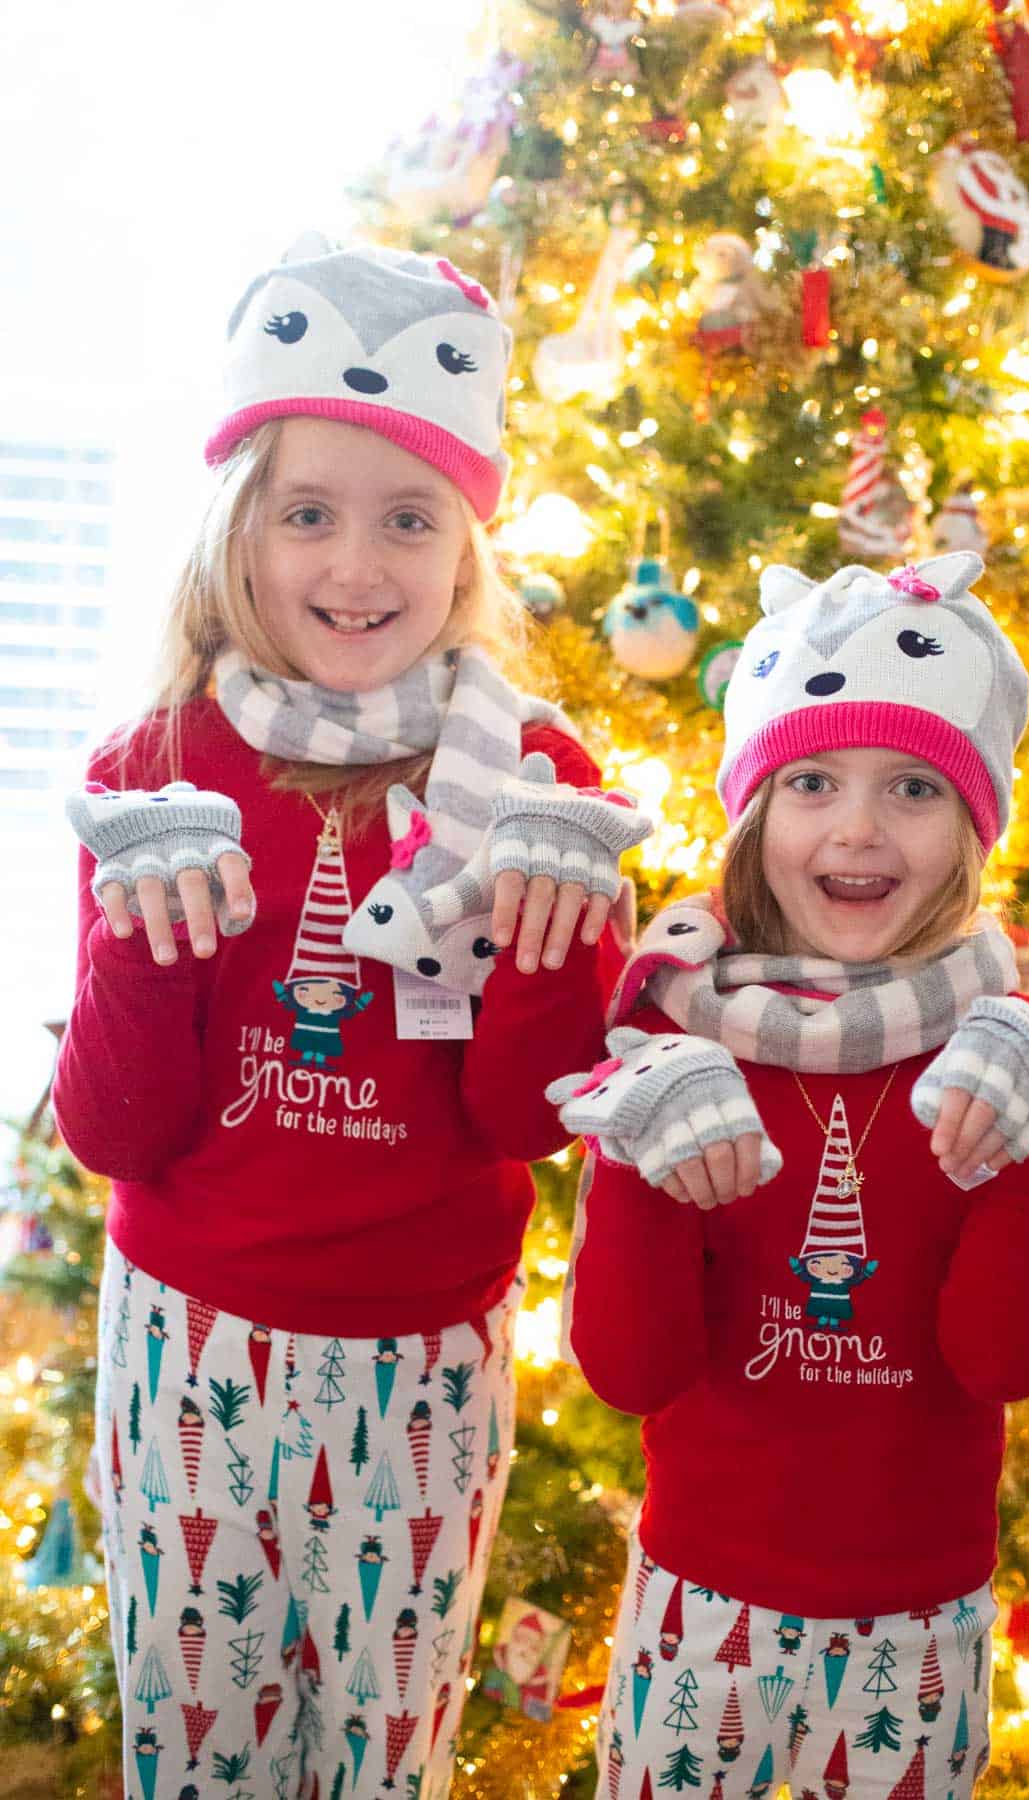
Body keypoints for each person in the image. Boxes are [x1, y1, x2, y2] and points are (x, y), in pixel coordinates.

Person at [53, 236, 641, 1799]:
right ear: (241, 526)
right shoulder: (155, 765)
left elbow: (529, 1118)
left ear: (469, 547)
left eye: (408, 520)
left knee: (386, 1757)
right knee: (198, 1755)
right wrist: (146, 924)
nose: (356, 569)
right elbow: (112, 1130)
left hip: (421, 1359)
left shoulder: (539, 785)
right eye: (308, 515)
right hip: (189, 1341)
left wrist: (539, 921)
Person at [546, 552, 1029, 1797]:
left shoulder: (1016, 1056)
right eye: (812, 782)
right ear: (758, 818)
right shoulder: (672, 1038)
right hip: (700, 1610)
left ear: (971, 827)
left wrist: (1026, 1134)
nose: (858, 827)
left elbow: (1005, 1359)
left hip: (920, 1626)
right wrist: (651, 1139)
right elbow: (628, 1369)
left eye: (913, 786)